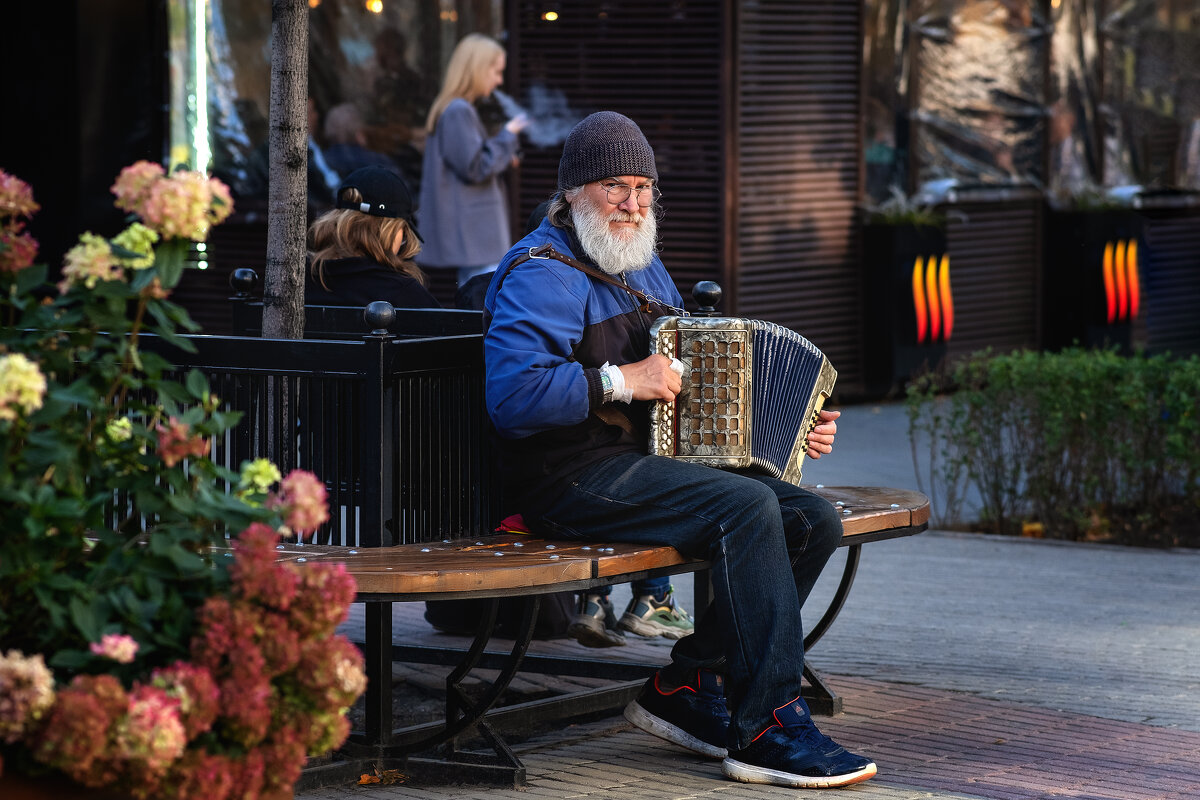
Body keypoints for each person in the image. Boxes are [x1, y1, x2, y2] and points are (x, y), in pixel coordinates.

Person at [482, 111, 875, 789]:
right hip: (565, 475)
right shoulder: (540, 271)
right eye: (615, 187)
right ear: (575, 190)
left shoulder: (639, 263)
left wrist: (786, 430)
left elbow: (693, 382)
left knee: (811, 518)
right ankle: (768, 726)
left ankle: (689, 687)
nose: (633, 204)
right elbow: (512, 396)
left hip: (639, 463)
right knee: (748, 511)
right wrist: (620, 381)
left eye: (643, 187)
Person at [417, 33, 529, 291]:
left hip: (471, 234)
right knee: (484, 299)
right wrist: (508, 135)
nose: (499, 80)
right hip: (474, 236)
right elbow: (476, 167)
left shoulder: (453, 108)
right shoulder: (459, 110)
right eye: (496, 72)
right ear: (478, 69)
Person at [305, 165, 439, 309]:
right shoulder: (403, 292)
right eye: (403, 231)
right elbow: (445, 328)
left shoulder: (300, 279)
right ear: (389, 231)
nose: (403, 240)